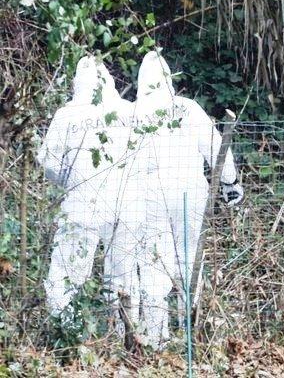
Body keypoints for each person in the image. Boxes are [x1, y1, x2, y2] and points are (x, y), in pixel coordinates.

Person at [134, 50, 244, 348]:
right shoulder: (187, 108)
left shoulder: (133, 113)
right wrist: (230, 182)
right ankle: (190, 333)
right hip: (189, 191)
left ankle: (156, 338)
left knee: (153, 261)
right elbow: (215, 147)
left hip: (150, 193)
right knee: (189, 258)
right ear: (169, 79)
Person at [37, 56, 144, 328]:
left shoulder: (67, 115)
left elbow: (49, 164)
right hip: (126, 205)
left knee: (66, 274)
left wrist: (69, 180)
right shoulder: (129, 111)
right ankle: (124, 339)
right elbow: (145, 158)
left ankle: (67, 335)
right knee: (122, 277)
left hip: (82, 204)